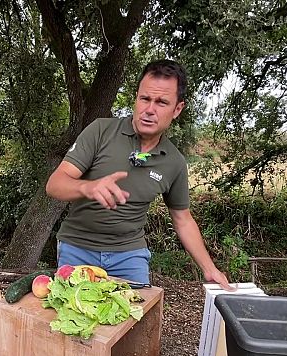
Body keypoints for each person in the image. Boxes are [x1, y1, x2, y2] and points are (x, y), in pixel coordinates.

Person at [45, 59, 235, 291]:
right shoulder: (100, 131)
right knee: (74, 322)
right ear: (136, 98)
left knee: (135, 322)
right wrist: (88, 187)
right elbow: (55, 184)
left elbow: (182, 219)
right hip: (77, 250)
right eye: (145, 99)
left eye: (162, 102)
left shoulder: (174, 162)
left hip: (129, 256)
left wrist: (209, 268)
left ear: (177, 109)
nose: (150, 110)